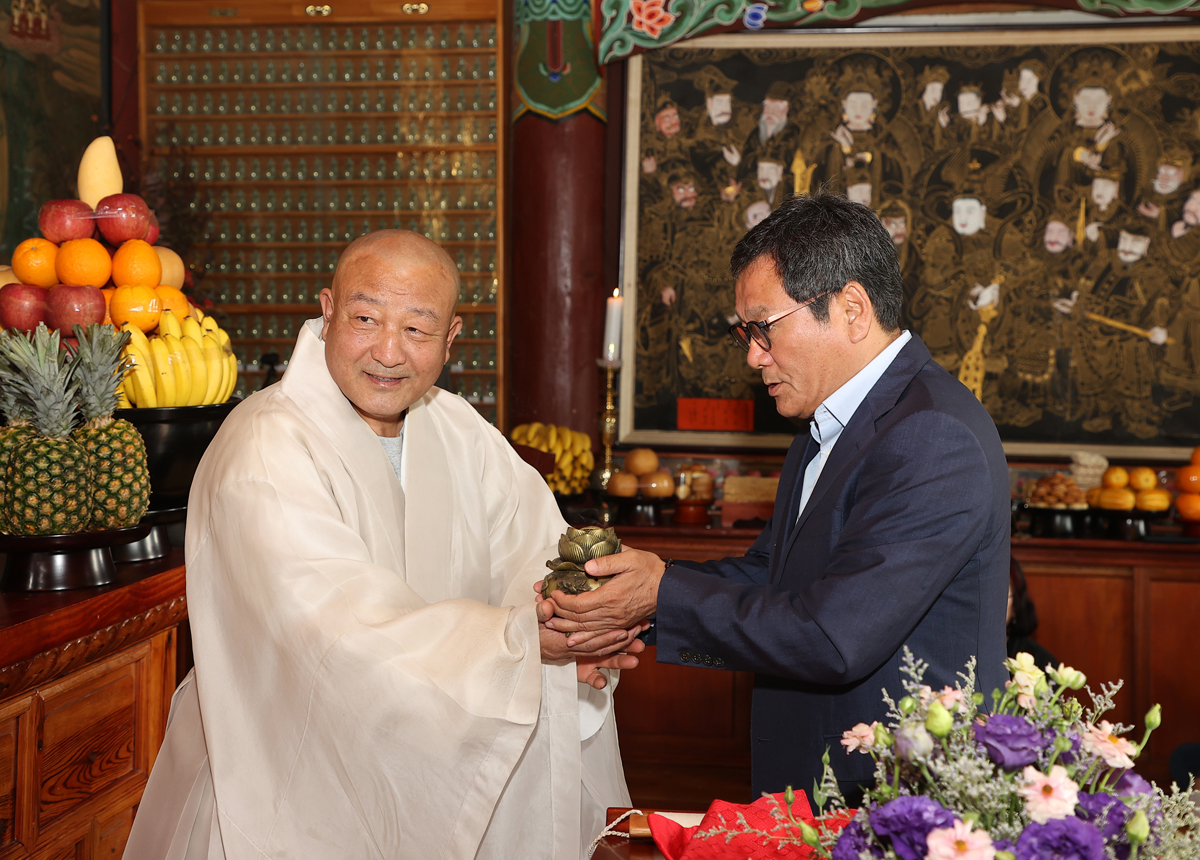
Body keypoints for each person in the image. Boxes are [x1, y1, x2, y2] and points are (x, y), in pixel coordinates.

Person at [123, 231, 643, 860]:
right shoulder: (264, 444)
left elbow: (531, 556)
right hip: (288, 778)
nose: (388, 352)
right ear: (327, 310)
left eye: (417, 330)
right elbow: (333, 630)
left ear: (451, 338)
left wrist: (569, 639)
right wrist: (517, 644)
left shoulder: (460, 432)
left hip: (441, 770)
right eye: (366, 318)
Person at [541, 192, 1010, 806]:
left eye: (763, 328)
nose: (752, 355)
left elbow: (832, 635)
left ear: (851, 308)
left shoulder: (930, 435)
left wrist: (658, 593)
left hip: (894, 803)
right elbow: (773, 577)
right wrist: (630, 603)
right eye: (745, 332)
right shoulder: (830, 426)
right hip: (816, 792)